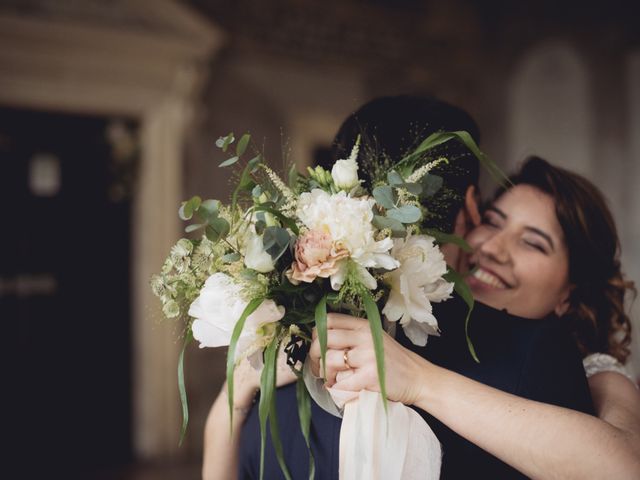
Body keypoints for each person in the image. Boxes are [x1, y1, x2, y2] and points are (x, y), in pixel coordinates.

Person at [314, 156, 640, 478]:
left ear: (569, 293)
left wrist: (420, 381)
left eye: (532, 243)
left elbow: (625, 467)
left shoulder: (597, 371)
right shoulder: (418, 322)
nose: (493, 248)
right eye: (492, 222)